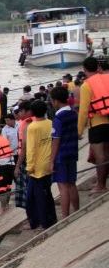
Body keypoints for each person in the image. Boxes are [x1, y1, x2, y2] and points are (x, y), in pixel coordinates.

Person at [77, 57, 109, 194]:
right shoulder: (107, 78)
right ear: (97, 67)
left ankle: (101, 186)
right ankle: (101, 183)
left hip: (97, 124)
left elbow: (83, 110)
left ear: (84, 69)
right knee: (107, 154)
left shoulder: (86, 85)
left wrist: (79, 131)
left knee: (100, 157)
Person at [25, 100, 57, 230]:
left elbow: (31, 149)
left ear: (32, 112)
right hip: (49, 163)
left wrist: (29, 167)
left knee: (35, 198)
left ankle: (43, 223)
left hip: (37, 167)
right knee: (46, 194)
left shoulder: (32, 127)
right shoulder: (50, 123)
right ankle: (48, 219)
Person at [50, 86, 79, 218]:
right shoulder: (73, 113)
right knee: (72, 184)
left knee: (63, 187)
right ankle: (77, 210)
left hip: (61, 155)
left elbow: (56, 140)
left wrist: (51, 161)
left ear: (56, 101)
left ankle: (65, 216)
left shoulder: (58, 118)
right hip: (73, 152)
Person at [14, 100, 34, 210]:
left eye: (20, 111)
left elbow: (24, 147)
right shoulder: (39, 121)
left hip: (27, 160)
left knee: (27, 191)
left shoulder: (27, 124)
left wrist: (17, 165)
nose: (19, 114)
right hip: (32, 158)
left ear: (27, 111)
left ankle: (32, 218)